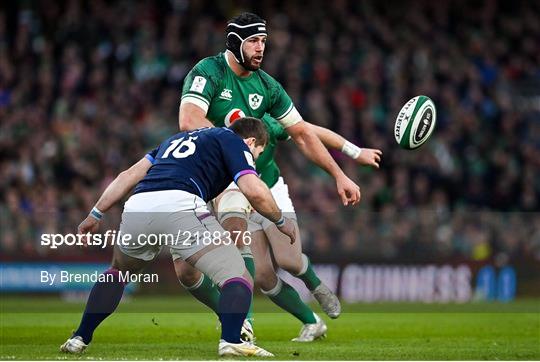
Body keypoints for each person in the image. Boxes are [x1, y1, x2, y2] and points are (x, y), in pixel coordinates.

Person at [174, 12, 382, 342]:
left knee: (286, 262)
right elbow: (189, 119)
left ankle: (311, 285)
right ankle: (243, 323)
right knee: (257, 269)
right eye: (253, 41)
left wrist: (345, 169)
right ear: (234, 42)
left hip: (269, 184)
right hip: (228, 180)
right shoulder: (208, 73)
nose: (261, 48)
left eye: (264, 42)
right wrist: (230, 149)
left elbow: (305, 132)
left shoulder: (268, 88)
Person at [60, 118, 295, 357]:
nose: (256, 158)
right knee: (238, 274)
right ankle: (231, 340)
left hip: (139, 205)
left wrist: (95, 213)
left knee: (118, 272)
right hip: (180, 204)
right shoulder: (234, 141)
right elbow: (254, 190)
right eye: (259, 152)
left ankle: (79, 337)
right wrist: (281, 221)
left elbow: (128, 175)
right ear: (251, 141)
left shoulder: (172, 141)